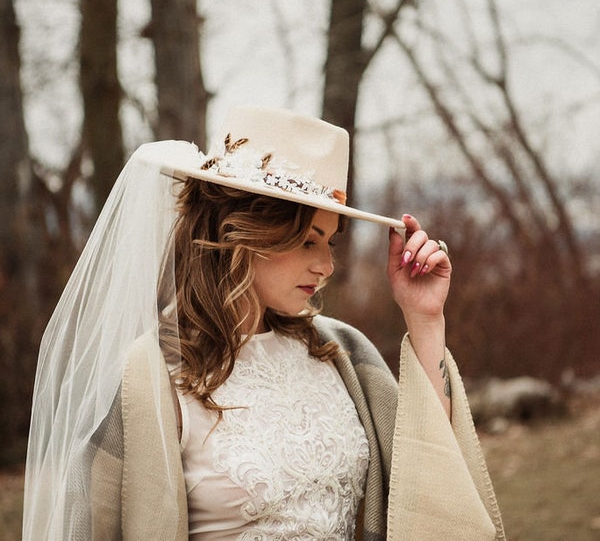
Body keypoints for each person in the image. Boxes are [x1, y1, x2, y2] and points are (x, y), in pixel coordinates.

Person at [23, 106, 505, 540]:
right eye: (307, 241)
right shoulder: (150, 375)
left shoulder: (343, 352)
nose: (326, 266)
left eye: (331, 243)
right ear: (243, 233)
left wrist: (425, 319)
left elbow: (430, 476)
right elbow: (94, 526)